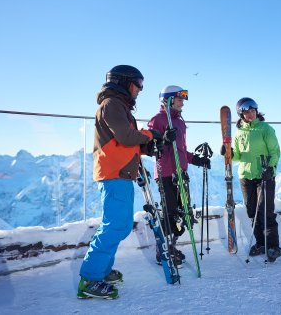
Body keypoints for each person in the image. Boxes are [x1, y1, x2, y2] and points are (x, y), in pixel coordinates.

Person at [78, 65, 163, 299]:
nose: (140, 89)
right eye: (138, 84)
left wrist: (151, 144)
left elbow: (127, 141)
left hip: (120, 174)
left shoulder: (119, 106)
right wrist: (149, 135)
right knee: (115, 225)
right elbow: (126, 137)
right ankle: (90, 279)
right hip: (113, 174)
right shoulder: (112, 104)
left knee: (119, 225)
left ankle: (101, 271)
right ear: (124, 82)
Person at [147, 85, 211, 266]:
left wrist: (196, 159)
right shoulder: (157, 120)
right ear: (168, 100)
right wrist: (163, 139)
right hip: (166, 173)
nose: (183, 103)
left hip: (181, 173)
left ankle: (171, 245)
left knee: (184, 214)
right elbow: (150, 148)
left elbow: (181, 150)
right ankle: (164, 251)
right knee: (171, 213)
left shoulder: (180, 122)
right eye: (180, 99)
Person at [223, 97, 281, 261]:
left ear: (256, 111)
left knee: (265, 211)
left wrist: (270, 169)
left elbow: (275, 151)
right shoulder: (239, 132)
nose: (250, 114)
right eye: (247, 112)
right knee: (252, 212)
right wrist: (228, 152)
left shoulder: (265, 129)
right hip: (246, 176)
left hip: (265, 175)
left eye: (253, 111)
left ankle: (273, 247)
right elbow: (238, 156)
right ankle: (261, 243)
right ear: (241, 114)